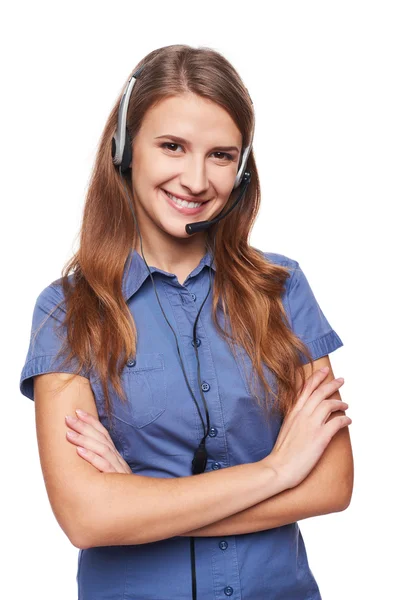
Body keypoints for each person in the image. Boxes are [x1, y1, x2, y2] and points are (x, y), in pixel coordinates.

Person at [19, 44, 353, 600]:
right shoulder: (67, 312)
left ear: (242, 166)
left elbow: (331, 483)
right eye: (173, 147)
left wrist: (143, 504)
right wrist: (276, 471)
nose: (196, 180)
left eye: (221, 155)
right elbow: (87, 518)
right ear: (126, 149)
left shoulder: (282, 289)